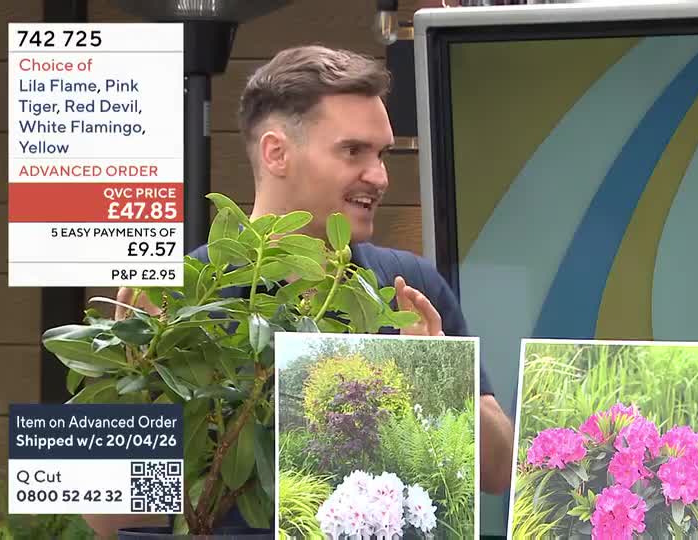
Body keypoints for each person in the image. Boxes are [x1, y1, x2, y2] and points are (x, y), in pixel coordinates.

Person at [85, 45, 514, 538]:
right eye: (353, 151)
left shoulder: (412, 285)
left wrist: (441, 378)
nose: (379, 176)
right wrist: (134, 388)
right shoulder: (181, 297)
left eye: (382, 154)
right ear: (276, 153)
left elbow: (499, 474)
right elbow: (109, 520)